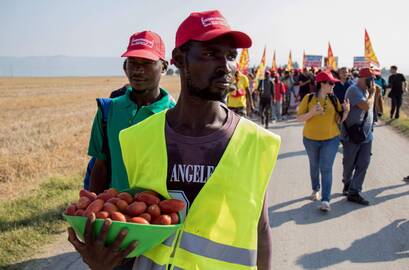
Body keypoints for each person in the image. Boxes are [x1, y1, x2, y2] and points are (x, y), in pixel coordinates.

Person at [68, 10, 281, 270]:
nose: (225, 66)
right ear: (180, 59)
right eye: (210, 53)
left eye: (230, 56)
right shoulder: (137, 138)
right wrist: (101, 260)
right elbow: (128, 222)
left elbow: (261, 226)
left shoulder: (257, 142)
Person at [87, 31, 176, 194]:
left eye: (147, 62)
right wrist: (93, 207)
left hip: (158, 215)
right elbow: (101, 166)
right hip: (115, 213)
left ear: (164, 67)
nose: (138, 70)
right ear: (124, 67)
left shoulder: (175, 115)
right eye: (133, 62)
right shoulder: (108, 111)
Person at [297, 71, 350, 211]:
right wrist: (312, 113)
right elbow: (299, 118)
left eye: (333, 83)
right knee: (314, 165)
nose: (333, 85)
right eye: (331, 83)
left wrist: (346, 112)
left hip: (331, 140)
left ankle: (326, 200)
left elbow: (339, 120)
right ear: (322, 83)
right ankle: (315, 189)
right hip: (310, 140)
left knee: (326, 168)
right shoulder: (308, 99)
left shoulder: (334, 99)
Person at [341, 68, 376, 205]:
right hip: (352, 134)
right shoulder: (353, 90)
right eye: (370, 79)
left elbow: (372, 110)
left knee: (364, 163)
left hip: (366, 135)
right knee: (349, 163)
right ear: (362, 78)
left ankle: (354, 191)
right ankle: (347, 182)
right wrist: (372, 94)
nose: (372, 82)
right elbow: (366, 106)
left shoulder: (367, 90)